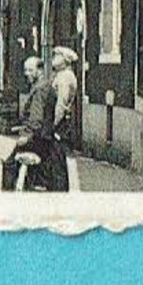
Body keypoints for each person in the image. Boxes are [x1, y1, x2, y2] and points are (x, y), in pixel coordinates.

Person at [1, 56, 69, 191]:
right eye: (25, 70)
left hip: (37, 139)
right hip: (46, 139)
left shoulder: (40, 90)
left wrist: (25, 136)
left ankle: (7, 198)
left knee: (9, 164)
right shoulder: (46, 86)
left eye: (30, 71)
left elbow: (36, 119)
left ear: (39, 71)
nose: (26, 74)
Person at [49, 46, 79, 188]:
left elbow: (61, 104)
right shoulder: (62, 75)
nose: (54, 57)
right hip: (59, 124)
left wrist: (51, 125)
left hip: (59, 125)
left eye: (58, 55)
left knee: (57, 160)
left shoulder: (65, 77)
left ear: (65, 60)